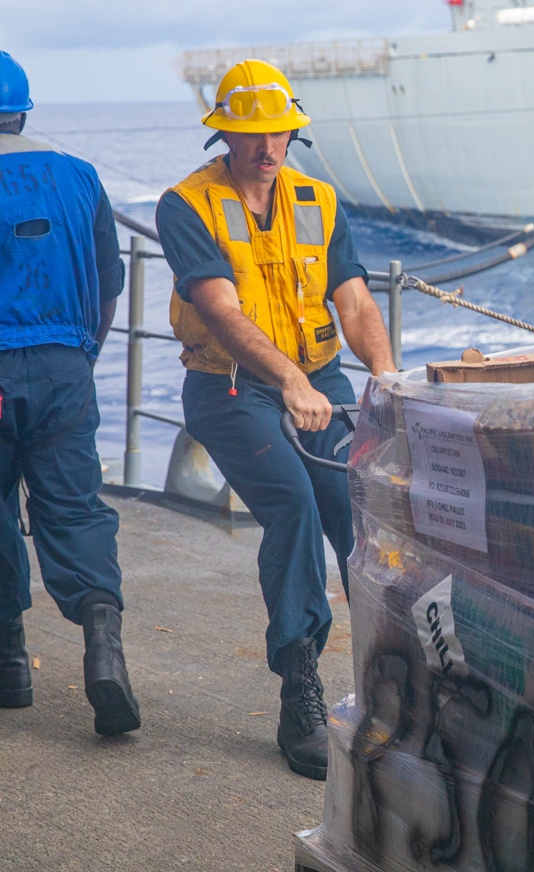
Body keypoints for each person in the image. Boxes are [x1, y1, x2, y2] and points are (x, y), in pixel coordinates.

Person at [155, 59, 397, 780]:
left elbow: (352, 304)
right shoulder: (185, 206)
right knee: (293, 506)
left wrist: (386, 379)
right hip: (231, 387)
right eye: (252, 134)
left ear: (293, 130)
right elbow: (221, 313)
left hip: (319, 382)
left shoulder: (319, 199)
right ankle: (300, 688)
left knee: (359, 510)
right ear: (224, 134)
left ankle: (396, 680)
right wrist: (289, 379)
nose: (268, 147)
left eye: (279, 132)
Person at [0, 51, 141, 736]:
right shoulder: (79, 176)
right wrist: (83, 355)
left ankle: (10, 669)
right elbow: (110, 282)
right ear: (23, 110)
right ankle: (103, 644)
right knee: (76, 510)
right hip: (64, 365)